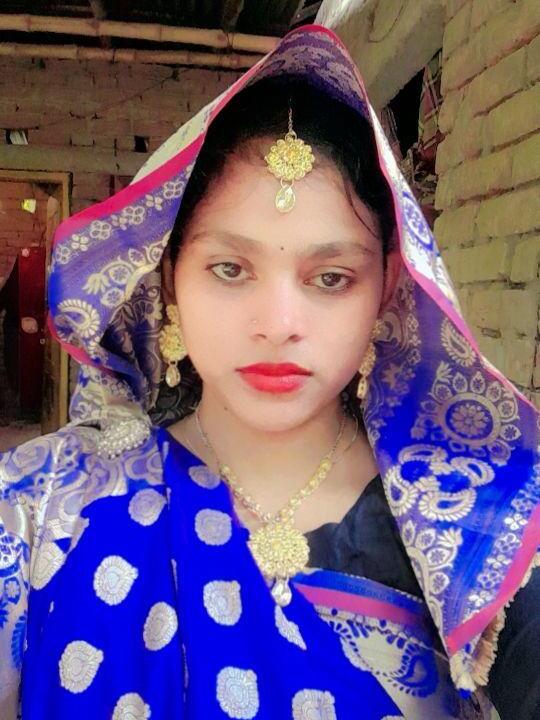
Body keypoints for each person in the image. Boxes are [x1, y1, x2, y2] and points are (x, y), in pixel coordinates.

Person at [1, 25, 538, 719]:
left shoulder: (484, 535)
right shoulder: (43, 506)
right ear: (170, 280)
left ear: (386, 290)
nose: (279, 322)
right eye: (230, 269)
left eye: (331, 277)